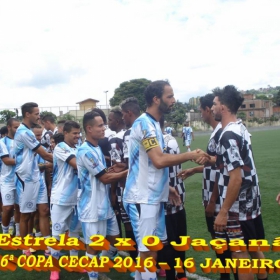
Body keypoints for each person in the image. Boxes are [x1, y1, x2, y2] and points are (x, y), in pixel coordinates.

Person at [123, 80, 209, 280]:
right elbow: (159, 160)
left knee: (151, 251)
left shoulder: (153, 124)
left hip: (153, 196)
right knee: (148, 254)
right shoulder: (144, 124)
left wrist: (166, 187)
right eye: (169, 96)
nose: (174, 100)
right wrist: (189, 155)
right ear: (156, 99)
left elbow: (149, 164)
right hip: (142, 198)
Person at [178, 93, 238, 280]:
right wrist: (195, 170)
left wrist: (212, 201)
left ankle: (226, 277)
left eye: (204, 109)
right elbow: (215, 164)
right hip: (214, 196)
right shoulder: (217, 132)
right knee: (221, 243)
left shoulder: (221, 133)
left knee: (223, 244)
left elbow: (223, 170)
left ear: (207, 110)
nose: (204, 113)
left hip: (218, 198)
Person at [211, 85, 267, 280]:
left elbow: (236, 177)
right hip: (251, 201)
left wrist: (224, 211)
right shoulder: (240, 128)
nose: (212, 108)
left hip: (237, 206)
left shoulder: (228, 135)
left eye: (215, 104)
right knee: (254, 248)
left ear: (224, 107)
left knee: (239, 253)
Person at [77, 111, 128, 280]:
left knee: (113, 238)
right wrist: (129, 172)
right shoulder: (85, 151)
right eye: (100, 125)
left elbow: (101, 173)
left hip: (103, 204)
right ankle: (93, 276)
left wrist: (113, 169)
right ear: (89, 128)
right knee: (93, 247)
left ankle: (99, 268)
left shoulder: (96, 147)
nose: (104, 128)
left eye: (104, 124)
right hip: (91, 207)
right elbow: (105, 179)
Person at [13, 102, 53, 256]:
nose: (39, 116)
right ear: (27, 114)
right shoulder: (24, 132)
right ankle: (25, 248)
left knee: (43, 210)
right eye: (36, 113)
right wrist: (68, 160)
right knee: (26, 214)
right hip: (26, 178)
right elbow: (45, 154)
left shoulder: (28, 131)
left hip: (37, 176)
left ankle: (48, 247)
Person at [50, 120, 82, 280]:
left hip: (77, 198)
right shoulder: (61, 147)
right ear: (66, 133)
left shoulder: (79, 147)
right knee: (57, 234)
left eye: (79, 133)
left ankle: (74, 263)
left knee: (74, 233)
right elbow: (77, 164)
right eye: (74, 133)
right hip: (61, 198)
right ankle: (54, 269)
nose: (78, 136)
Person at [159, 116, 187, 280]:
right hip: (179, 191)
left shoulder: (156, 144)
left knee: (167, 240)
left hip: (164, 194)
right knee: (180, 236)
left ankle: (170, 275)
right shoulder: (172, 140)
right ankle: (181, 274)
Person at [0, 118, 20, 236]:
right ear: (9, 127)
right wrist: (25, 162)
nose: (18, 130)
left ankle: (17, 234)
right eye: (15, 127)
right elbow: (6, 160)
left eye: (19, 127)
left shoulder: (22, 142)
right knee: (7, 208)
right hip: (7, 180)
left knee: (19, 208)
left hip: (21, 179)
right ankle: (5, 232)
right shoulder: (2, 142)